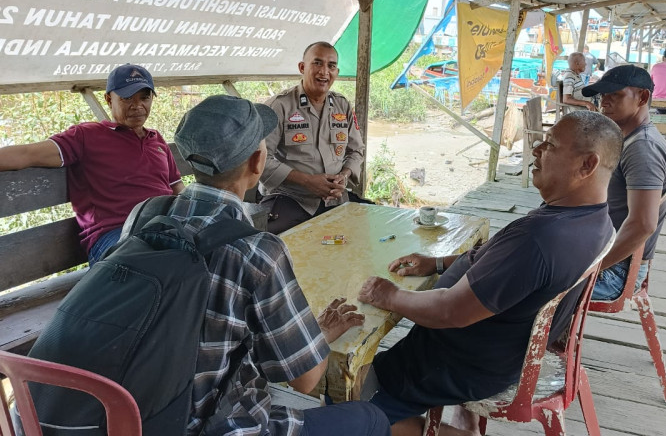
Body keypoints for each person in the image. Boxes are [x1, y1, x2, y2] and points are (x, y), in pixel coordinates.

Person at [121, 94, 389, 436]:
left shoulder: (144, 214)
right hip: (216, 425)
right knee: (371, 419)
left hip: (140, 415)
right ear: (257, 162)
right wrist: (319, 333)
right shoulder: (258, 251)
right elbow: (304, 380)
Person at [357, 111, 622, 436]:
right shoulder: (595, 220)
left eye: (551, 145)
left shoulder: (538, 239)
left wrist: (389, 294)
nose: (537, 148)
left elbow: (449, 311)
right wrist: (437, 264)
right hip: (503, 351)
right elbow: (495, 262)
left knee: (349, 403)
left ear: (587, 165)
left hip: (460, 363)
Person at [0, 64, 183, 264]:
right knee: (160, 262)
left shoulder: (156, 140)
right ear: (108, 99)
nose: (137, 105)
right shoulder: (86, 137)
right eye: (127, 98)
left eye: (144, 97)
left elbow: (177, 189)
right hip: (117, 237)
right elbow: (27, 154)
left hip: (163, 229)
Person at [581, 65, 666, 301]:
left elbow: (643, 224)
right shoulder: (630, 139)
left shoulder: (643, 149)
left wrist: (591, 269)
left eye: (615, 95)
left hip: (615, 272)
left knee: (517, 286)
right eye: (603, 95)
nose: (604, 102)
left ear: (642, 97)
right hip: (604, 254)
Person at [260, 41, 368, 233]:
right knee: (280, 244)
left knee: (366, 231)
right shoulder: (279, 106)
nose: (324, 72)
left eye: (331, 66)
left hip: (335, 199)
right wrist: (306, 180)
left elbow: (356, 150)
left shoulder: (342, 105)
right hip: (291, 199)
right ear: (302, 67)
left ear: (337, 71)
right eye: (317, 63)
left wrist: (343, 176)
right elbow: (260, 159)